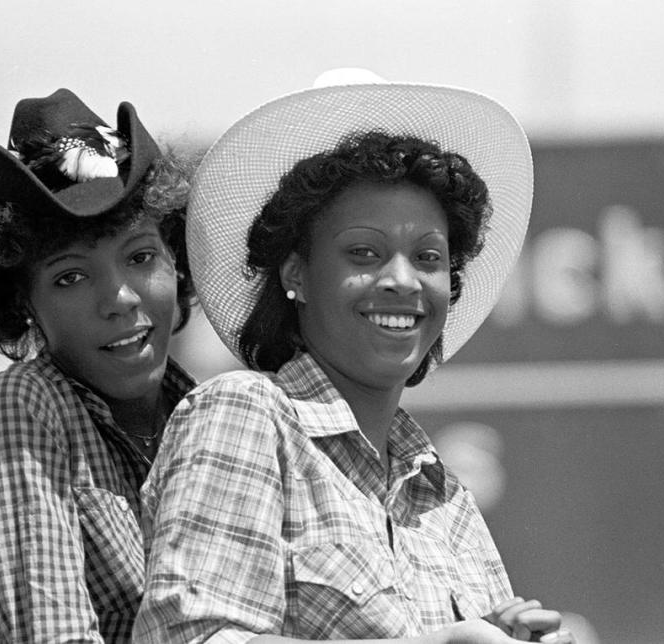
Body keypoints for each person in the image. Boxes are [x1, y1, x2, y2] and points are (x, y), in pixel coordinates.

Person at [133, 70, 574, 644]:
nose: (401, 280)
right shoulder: (248, 416)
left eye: (428, 256)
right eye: (364, 252)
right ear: (296, 273)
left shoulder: (442, 494)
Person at [0, 88, 198, 643]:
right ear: (24, 306)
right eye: (71, 277)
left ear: (179, 263)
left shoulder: (206, 418)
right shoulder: (25, 407)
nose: (121, 299)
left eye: (140, 257)